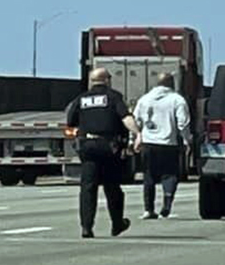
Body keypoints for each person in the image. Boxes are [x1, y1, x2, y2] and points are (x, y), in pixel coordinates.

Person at [65, 68, 138, 239]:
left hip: (88, 146)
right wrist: (137, 132)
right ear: (107, 80)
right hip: (108, 146)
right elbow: (125, 117)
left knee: (88, 188)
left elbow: (70, 121)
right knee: (112, 187)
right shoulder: (113, 97)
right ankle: (117, 223)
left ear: (92, 81)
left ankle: (86, 227)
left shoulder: (81, 99)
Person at [133, 70, 192, 219]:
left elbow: (136, 121)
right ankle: (166, 206)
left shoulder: (144, 99)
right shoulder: (177, 100)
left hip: (148, 143)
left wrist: (135, 138)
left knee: (148, 176)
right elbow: (183, 123)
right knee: (170, 175)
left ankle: (148, 209)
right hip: (168, 143)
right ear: (172, 83)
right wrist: (186, 140)